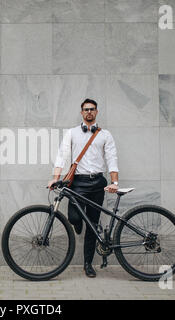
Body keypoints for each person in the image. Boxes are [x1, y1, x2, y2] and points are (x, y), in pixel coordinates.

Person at [48, 98, 119, 278]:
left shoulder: (105, 135)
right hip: (78, 183)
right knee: (74, 216)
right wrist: (55, 178)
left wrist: (114, 182)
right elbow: (62, 155)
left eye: (92, 109)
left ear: (96, 112)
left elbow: (112, 158)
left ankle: (88, 264)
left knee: (92, 225)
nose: (89, 112)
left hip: (97, 183)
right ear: (81, 112)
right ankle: (77, 222)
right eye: (86, 109)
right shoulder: (72, 133)